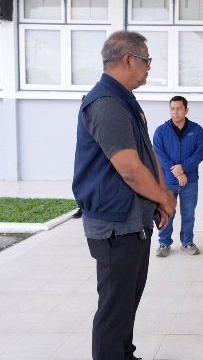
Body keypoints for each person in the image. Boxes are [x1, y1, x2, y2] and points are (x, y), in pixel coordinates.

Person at [72, 30, 177, 360]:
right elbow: (129, 169)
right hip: (115, 225)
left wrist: (161, 196)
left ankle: (124, 355)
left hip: (133, 221)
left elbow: (148, 152)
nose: (149, 68)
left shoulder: (124, 99)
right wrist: (164, 198)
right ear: (128, 60)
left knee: (127, 302)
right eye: (147, 60)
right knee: (114, 308)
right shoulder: (105, 103)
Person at [152, 95, 203, 256]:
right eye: (172, 109)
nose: (175, 112)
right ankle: (164, 243)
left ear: (186, 110)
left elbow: (199, 153)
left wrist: (183, 168)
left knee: (188, 213)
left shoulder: (196, 130)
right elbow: (159, 155)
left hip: (190, 181)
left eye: (179, 109)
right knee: (166, 211)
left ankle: (187, 242)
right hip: (168, 181)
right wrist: (176, 171)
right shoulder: (161, 131)